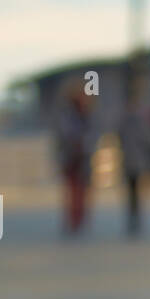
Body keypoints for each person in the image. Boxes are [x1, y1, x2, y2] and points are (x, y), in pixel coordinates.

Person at [54, 82, 95, 236]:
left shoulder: (86, 116)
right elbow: (65, 136)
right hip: (72, 160)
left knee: (82, 193)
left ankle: (80, 220)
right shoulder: (68, 116)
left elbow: (91, 136)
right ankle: (73, 221)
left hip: (82, 160)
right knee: (72, 192)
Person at [118, 82, 150, 237]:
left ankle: (136, 218)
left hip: (136, 162)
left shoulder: (138, 122)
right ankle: (132, 218)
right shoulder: (126, 122)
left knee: (136, 192)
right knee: (131, 192)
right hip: (129, 162)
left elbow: (146, 140)